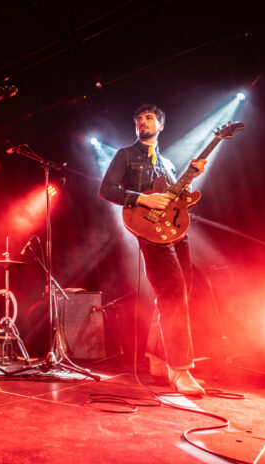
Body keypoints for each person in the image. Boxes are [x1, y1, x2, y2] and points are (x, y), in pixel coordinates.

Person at [99, 104, 207, 395]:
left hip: (176, 231)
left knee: (179, 293)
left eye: (148, 118)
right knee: (173, 290)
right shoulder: (125, 155)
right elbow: (106, 189)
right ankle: (181, 370)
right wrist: (143, 200)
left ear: (160, 125)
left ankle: (158, 357)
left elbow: (176, 199)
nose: (141, 122)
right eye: (137, 119)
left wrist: (191, 176)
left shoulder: (167, 163)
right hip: (149, 230)